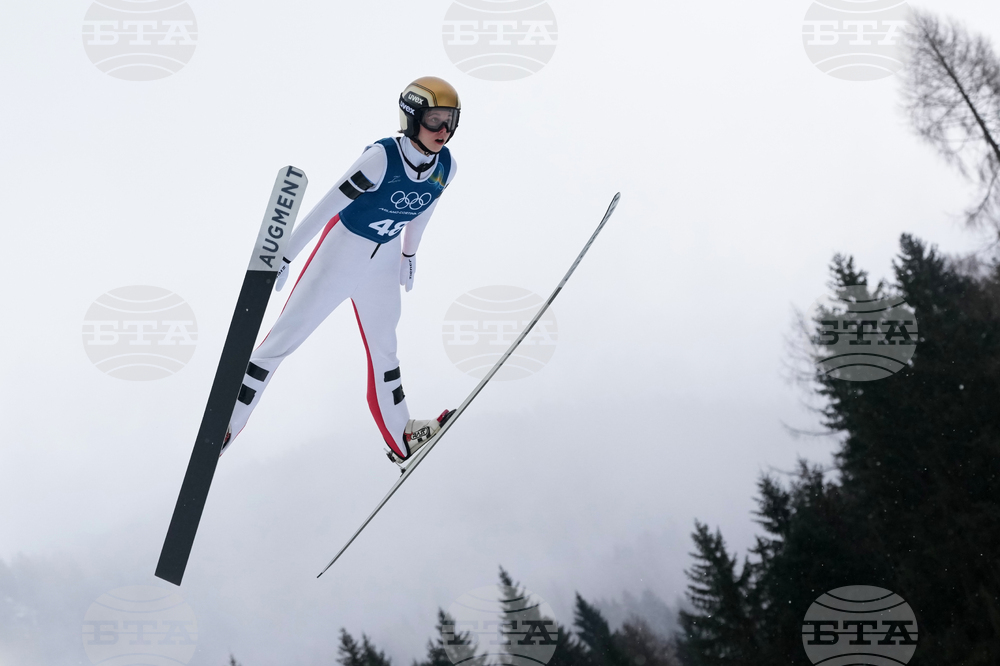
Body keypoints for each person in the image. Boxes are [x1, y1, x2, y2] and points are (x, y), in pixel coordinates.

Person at [221, 76, 461, 466]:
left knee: (385, 350)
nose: (444, 130)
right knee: (282, 341)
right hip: (342, 252)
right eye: (435, 119)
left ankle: (403, 436)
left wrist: (408, 254)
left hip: (384, 261)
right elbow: (327, 206)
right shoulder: (381, 158)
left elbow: (424, 211)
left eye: (450, 120)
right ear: (413, 118)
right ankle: (226, 425)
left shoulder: (446, 167)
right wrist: (285, 255)